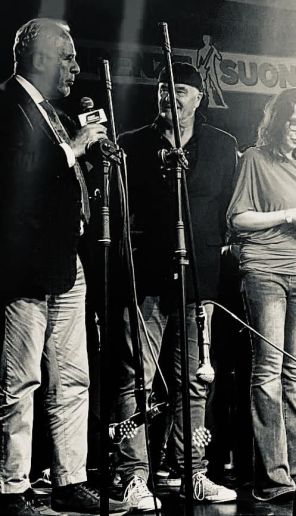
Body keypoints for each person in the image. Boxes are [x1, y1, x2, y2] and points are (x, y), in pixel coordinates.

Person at [0, 18, 125, 515]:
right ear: (39, 59)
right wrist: (72, 148)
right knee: (21, 380)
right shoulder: (7, 103)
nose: (76, 67)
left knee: (72, 377)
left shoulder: (54, 111)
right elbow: (15, 178)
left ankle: (70, 480)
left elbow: (60, 179)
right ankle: (11, 486)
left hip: (66, 261)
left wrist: (90, 158)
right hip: (24, 266)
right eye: (67, 57)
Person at [112, 63, 238, 510]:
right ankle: (134, 475)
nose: (170, 95)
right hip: (145, 277)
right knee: (136, 380)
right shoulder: (132, 144)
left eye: (181, 89)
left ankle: (193, 471)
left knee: (196, 381)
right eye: (164, 88)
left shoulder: (222, 146)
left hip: (200, 279)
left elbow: (226, 211)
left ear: (199, 98)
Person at [227, 87, 296, 502]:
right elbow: (238, 219)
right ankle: (273, 477)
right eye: (294, 123)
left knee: (295, 372)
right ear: (278, 121)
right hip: (265, 271)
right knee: (269, 370)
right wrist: (290, 214)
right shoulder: (255, 158)